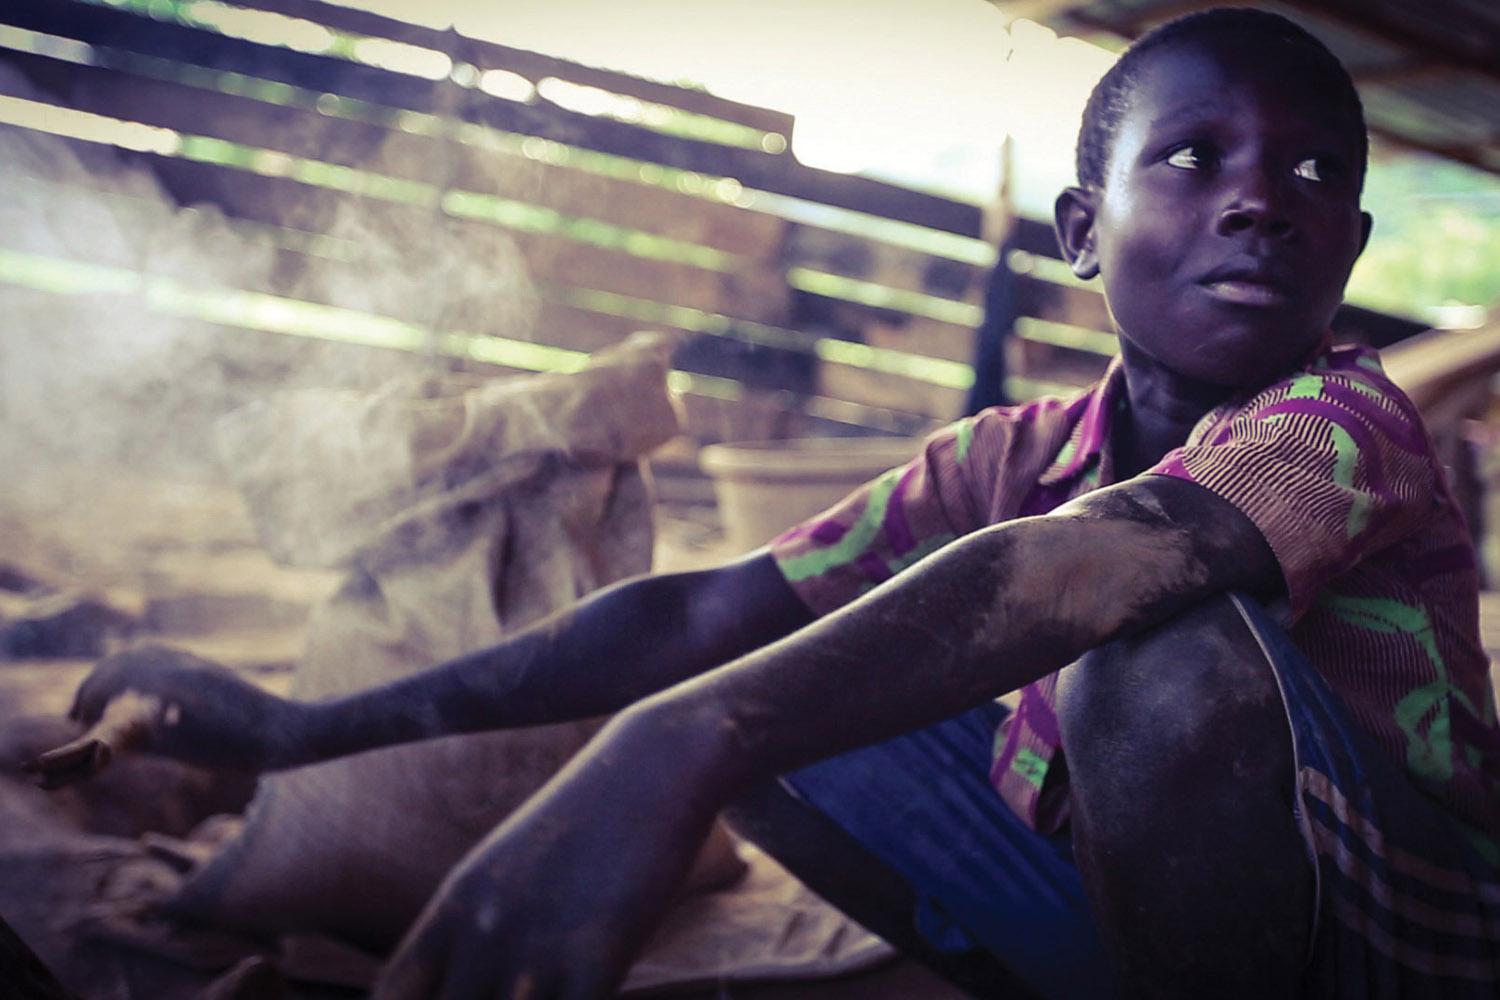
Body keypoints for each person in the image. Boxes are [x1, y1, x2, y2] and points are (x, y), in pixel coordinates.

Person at [36, 9, 1500, 998]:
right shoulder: (1018, 452)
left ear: (1351, 246)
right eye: (1193, 160)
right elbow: (708, 609)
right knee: (758, 665)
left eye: (1314, 176)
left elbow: (1103, 572)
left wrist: (675, 745)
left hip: (1375, 944)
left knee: (1148, 647)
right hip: (1128, 919)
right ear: (1079, 234)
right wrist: (302, 731)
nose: (1265, 198)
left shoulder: (1348, 426)